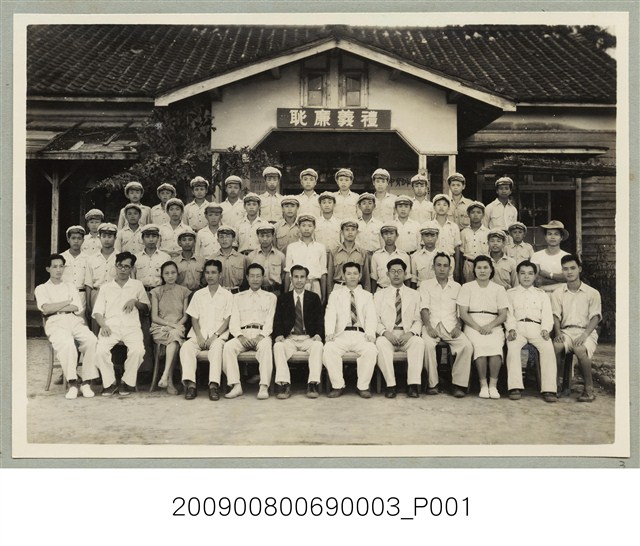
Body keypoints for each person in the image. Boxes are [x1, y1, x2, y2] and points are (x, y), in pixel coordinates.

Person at [35, 254, 99, 399]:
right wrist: (66, 302)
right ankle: (73, 383)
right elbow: (46, 309)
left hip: (73, 319)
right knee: (68, 343)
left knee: (92, 340)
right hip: (54, 322)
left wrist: (56, 305)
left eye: (61, 266)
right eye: (54, 267)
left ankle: (86, 383)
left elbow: (76, 307)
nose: (58, 270)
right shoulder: (41, 288)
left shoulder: (70, 286)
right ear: (48, 269)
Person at [93, 251, 150, 396]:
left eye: (126, 266)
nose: (123, 269)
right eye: (120, 266)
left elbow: (146, 307)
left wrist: (135, 302)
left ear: (132, 269)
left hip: (131, 327)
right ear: (115, 266)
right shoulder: (106, 287)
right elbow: (97, 312)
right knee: (100, 351)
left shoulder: (137, 285)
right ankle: (110, 383)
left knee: (138, 351)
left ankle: (126, 382)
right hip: (110, 327)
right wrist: (103, 325)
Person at [420, 253, 474, 398]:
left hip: (451, 326)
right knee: (427, 345)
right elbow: (424, 308)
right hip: (432, 325)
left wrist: (458, 326)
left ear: (450, 268)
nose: (442, 269)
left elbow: (460, 310)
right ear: (433, 267)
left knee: (466, 346)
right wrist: (428, 327)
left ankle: (458, 384)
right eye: (439, 265)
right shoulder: (425, 285)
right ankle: (433, 384)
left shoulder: (457, 287)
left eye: (445, 266)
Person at [179, 259, 233, 401]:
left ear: (220, 274)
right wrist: (199, 336)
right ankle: (191, 385)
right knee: (186, 347)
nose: (210, 276)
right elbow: (194, 318)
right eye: (207, 272)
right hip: (199, 335)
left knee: (216, 349)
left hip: (218, 336)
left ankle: (213, 386)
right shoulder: (198, 294)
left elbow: (227, 320)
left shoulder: (227, 295)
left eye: (213, 272)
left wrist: (215, 336)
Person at [457, 255, 509, 399]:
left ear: (491, 270)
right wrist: (478, 327)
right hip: (472, 323)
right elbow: (463, 313)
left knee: (495, 347)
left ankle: (493, 385)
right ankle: (483, 385)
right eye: (479, 268)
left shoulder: (499, 289)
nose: (482, 271)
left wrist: (490, 326)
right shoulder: (467, 287)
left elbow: (503, 314)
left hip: (493, 324)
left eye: (485, 267)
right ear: (474, 270)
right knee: (480, 345)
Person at [323, 262, 378, 398]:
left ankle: (363, 386)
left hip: (360, 334)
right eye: (348, 274)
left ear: (360, 276)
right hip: (341, 334)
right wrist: (329, 333)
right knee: (329, 349)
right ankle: (338, 385)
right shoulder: (335, 294)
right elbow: (330, 314)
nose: (352, 277)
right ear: (343, 276)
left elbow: (371, 316)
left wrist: (370, 334)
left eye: (355, 273)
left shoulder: (367, 295)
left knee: (371, 350)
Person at [223, 263, 277, 400]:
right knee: (228, 347)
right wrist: (240, 336)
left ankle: (263, 386)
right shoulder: (237, 297)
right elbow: (234, 321)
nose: (255, 279)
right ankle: (236, 386)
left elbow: (270, 321)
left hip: (262, 334)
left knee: (266, 347)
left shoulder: (271, 297)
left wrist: (261, 336)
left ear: (263, 277)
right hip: (243, 334)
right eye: (252, 276)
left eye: (258, 276)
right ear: (247, 277)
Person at [505, 261, 557, 403]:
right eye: (522, 273)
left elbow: (547, 315)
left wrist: (546, 329)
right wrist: (511, 329)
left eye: (530, 274)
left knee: (548, 348)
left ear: (535, 276)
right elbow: (509, 314)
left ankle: (549, 389)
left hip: (537, 328)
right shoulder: (510, 294)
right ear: (517, 275)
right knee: (513, 348)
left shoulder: (542, 295)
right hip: (518, 327)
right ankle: (515, 387)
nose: (526, 277)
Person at [551, 254, 602, 402]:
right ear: (562, 271)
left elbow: (595, 317)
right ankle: (555, 385)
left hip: (586, 332)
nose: (569, 272)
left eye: (572, 268)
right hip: (566, 331)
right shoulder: (558, 293)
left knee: (579, 349)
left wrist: (584, 335)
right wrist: (558, 332)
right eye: (565, 269)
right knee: (556, 346)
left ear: (579, 269)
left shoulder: (592, 293)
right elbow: (555, 315)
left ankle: (589, 389)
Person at [273, 265, 325, 399]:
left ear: (307, 279)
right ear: (291, 279)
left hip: (308, 338)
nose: (299, 280)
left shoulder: (314, 298)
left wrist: (318, 334)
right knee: (278, 346)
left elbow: (320, 320)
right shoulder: (283, 298)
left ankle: (313, 383)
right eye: (296, 277)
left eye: (302, 277)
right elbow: (277, 319)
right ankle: (284, 384)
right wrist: (279, 335)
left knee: (318, 345)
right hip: (290, 338)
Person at [374, 259, 424, 398]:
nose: (396, 274)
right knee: (380, 344)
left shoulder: (414, 294)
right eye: (393, 271)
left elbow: (418, 319)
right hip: (388, 335)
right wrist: (385, 333)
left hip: (406, 334)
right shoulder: (379, 295)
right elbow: (375, 320)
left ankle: (413, 385)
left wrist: (411, 333)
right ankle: (391, 385)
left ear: (405, 274)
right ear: (387, 274)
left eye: (399, 271)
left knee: (419, 342)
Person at [150, 261, 190, 394]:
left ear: (177, 274)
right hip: (160, 328)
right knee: (174, 339)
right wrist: (170, 325)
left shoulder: (184, 291)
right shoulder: (156, 292)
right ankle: (169, 381)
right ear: (162, 275)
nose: (170, 276)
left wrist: (176, 326)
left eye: (173, 273)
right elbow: (154, 317)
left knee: (174, 336)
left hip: (178, 327)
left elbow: (185, 316)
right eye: (166, 273)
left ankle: (166, 376)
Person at [284, 214, 327, 302]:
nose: (306, 228)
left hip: (314, 285)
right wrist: (285, 294)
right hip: (296, 285)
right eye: (303, 225)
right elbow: (288, 272)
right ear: (298, 227)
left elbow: (323, 273)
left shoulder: (320, 247)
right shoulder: (292, 247)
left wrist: (323, 296)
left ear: (314, 227)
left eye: (310, 226)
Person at [84, 222, 118, 331]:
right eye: (104, 236)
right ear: (99, 238)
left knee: (114, 324)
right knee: (96, 326)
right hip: (97, 293)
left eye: (110, 236)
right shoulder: (92, 259)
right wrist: (89, 304)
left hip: (115, 294)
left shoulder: (119, 257)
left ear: (115, 238)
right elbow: (88, 283)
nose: (107, 239)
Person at [425, 194, 462, 281]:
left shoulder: (454, 226)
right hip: (432, 261)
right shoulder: (428, 225)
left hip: (449, 261)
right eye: (438, 204)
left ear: (448, 208)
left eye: (445, 205)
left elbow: (457, 248)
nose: (441, 207)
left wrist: (457, 269)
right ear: (434, 207)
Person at [327, 219, 371, 292]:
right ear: (342, 232)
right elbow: (330, 277)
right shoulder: (334, 252)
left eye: (353, 229)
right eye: (347, 229)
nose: (350, 232)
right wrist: (330, 294)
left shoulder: (363, 253)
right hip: (339, 287)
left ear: (357, 232)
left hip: (357, 288)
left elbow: (366, 278)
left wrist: (367, 293)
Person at [531, 220, 571, 294]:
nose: (552, 237)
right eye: (549, 234)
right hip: (542, 293)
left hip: (562, 293)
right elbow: (537, 280)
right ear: (545, 237)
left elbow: (568, 277)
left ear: (561, 237)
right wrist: (559, 279)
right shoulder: (536, 256)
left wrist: (548, 274)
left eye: (556, 234)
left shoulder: (567, 256)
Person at [245, 225, 286, 295]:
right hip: (257, 292)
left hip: (275, 292)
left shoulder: (280, 256)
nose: (265, 239)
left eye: (268, 236)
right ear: (258, 236)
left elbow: (283, 276)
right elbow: (248, 276)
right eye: (262, 236)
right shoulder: (251, 256)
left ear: (273, 236)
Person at [370, 224, 410, 292]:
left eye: (391, 233)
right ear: (382, 236)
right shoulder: (376, 255)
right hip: (382, 290)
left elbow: (407, 278)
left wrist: (407, 293)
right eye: (386, 234)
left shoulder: (404, 256)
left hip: (399, 291)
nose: (389, 236)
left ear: (396, 236)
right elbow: (374, 278)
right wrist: (373, 294)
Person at [134, 224, 171, 290]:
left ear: (158, 238)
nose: (151, 240)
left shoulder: (165, 257)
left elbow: (169, 278)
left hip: (159, 291)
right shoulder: (136, 258)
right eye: (147, 237)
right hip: (141, 291)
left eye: (154, 236)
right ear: (142, 239)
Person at [61, 225, 89, 311]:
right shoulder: (62, 257)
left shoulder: (88, 258)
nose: (76, 241)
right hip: (65, 295)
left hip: (81, 295)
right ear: (68, 239)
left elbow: (89, 281)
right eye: (73, 238)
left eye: (79, 238)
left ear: (83, 240)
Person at [460, 201, 490, 282]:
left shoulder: (488, 233)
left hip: (483, 265)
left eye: (479, 212)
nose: (475, 215)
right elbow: (461, 253)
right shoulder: (464, 232)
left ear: (483, 215)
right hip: (468, 264)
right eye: (473, 212)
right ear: (468, 214)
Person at [212, 225, 246, 293]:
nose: (224, 239)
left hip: (237, 293)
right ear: (217, 240)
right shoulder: (212, 259)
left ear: (233, 239)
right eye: (221, 237)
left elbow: (246, 280)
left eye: (227, 236)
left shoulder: (242, 259)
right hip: (218, 293)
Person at [174, 227, 204, 291]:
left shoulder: (201, 261)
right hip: (180, 293)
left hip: (197, 292)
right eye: (184, 240)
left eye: (190, 240)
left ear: (194, 242)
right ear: (179, 243)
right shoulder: (175, 262)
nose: (187, 242)